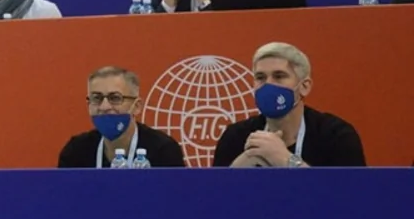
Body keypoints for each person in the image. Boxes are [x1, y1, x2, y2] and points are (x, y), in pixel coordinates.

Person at [213, 42, 365, 167]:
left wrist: (285, 159)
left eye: (279, 76)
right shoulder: (235, 135)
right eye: (260, 77)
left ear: (304, 86)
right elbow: (213, 197)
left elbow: (349, 196)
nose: (268, 84)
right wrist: (238, 168)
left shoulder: (335, 135)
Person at [58, 66, 186, 168]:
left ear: (136, 106)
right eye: (96, 98)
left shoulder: (163, 150)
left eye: (115, 98)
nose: (104, 106)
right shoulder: (76, 151)